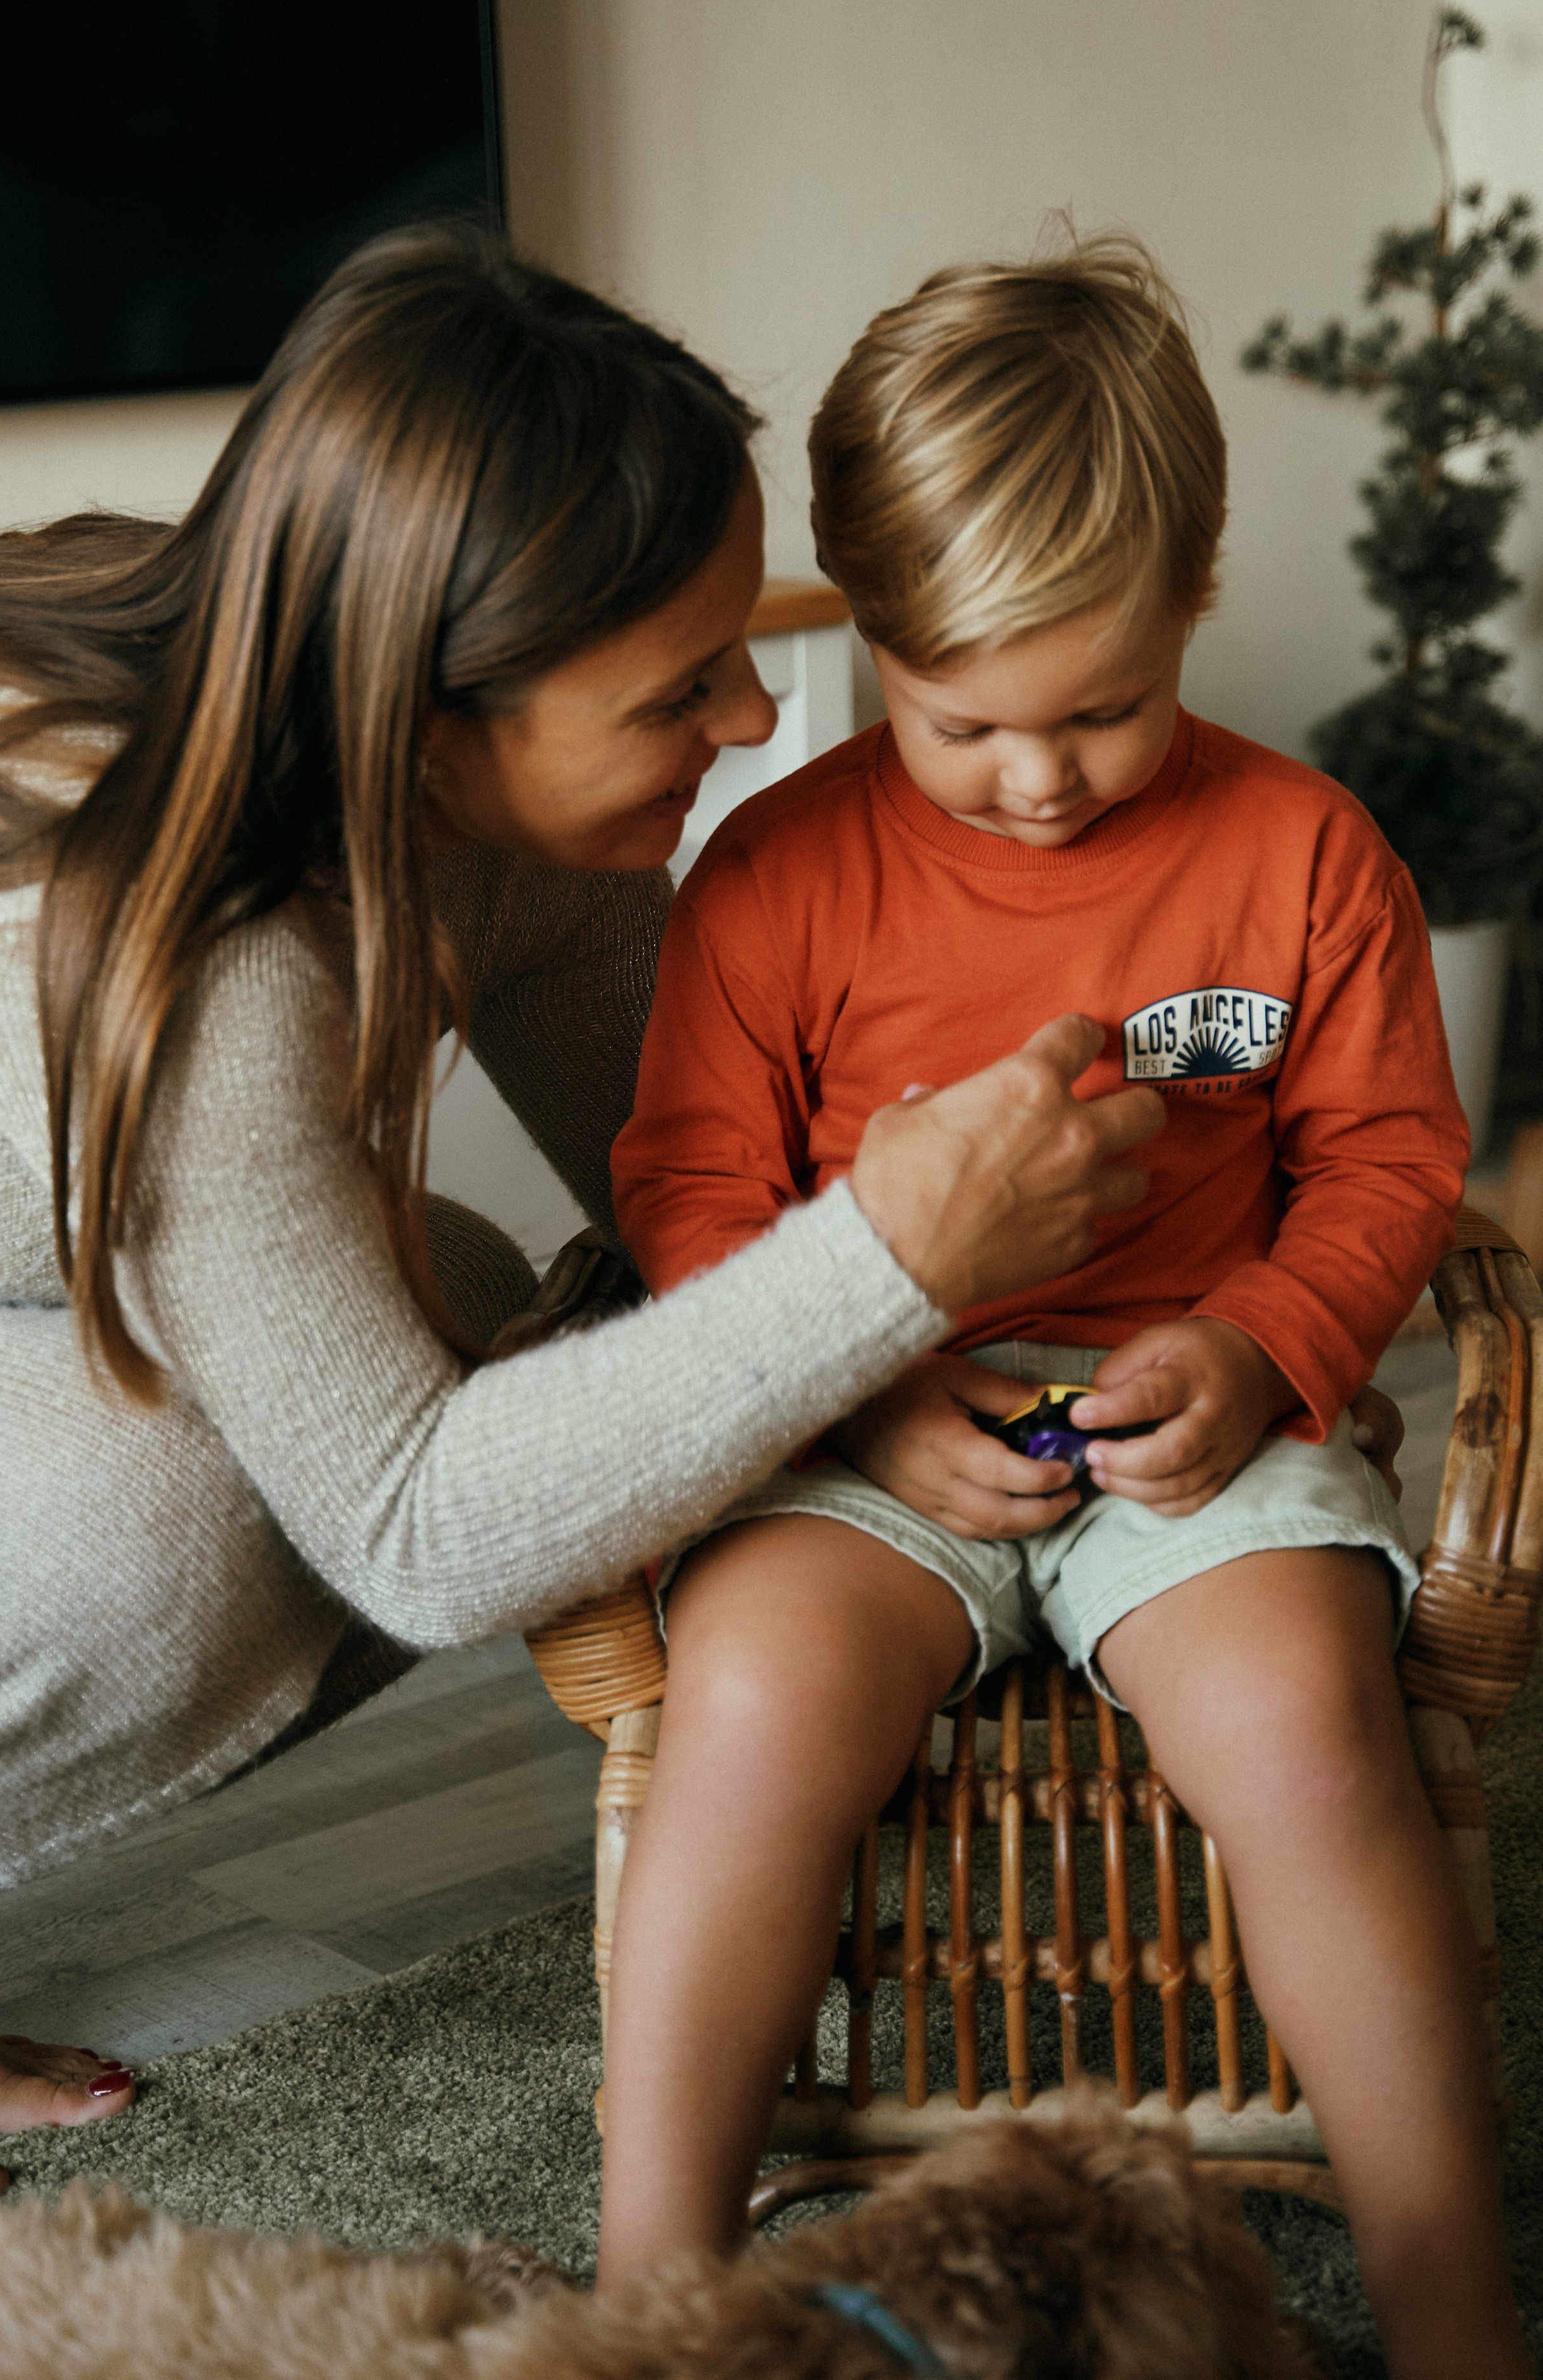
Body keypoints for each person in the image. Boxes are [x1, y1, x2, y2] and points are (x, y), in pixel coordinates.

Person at [0, 226, 1168, 2237]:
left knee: (477, 1304)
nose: (755, 715)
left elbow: (692, 1176)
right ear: (429, 718)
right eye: (684, 686)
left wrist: (897, 1364)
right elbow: (419, 1528)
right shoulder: (199, 957)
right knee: (173, 1517)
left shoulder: (411, 729)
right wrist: (892, 1266)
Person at [602, 241, 1527, 2380]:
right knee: (749, 1702)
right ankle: (643, 2314)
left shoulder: (1306, 852)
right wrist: (853, 1397)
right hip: (864, 1429)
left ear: (1198, 586)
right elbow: (695, 1191)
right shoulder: (772, 875)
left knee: (1311, 1717)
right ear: (869, 638)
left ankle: (1460, 2310)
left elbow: (1391, 1160)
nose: (1038, 781)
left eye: (1100, 709)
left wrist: (1269, 1346)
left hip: (1198, 1410)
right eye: (964, 722)